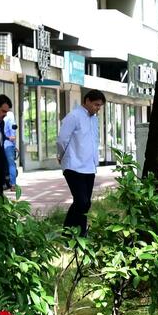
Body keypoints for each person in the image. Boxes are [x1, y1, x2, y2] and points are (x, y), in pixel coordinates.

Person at [57, 89, 105, 235]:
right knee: (82, 201)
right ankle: (70, 232)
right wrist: (61, 155)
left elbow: (93, 141)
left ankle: (78, 232)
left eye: (100, 106)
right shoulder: (74, 116)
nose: (98, 109)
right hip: (73, 165)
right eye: (96, 105)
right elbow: (62, 139)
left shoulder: (94, 119)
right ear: (87, 101)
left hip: (89, 167)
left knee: (85, 203)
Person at [2, 100, 18, 191]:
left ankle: (3, 183)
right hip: (8, 145)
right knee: (11, 165)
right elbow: (13, 135)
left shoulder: (0, 116)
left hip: (1, 144)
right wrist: (14, 145)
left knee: (2, 164)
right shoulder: (10, 116)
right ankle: (13, 185)